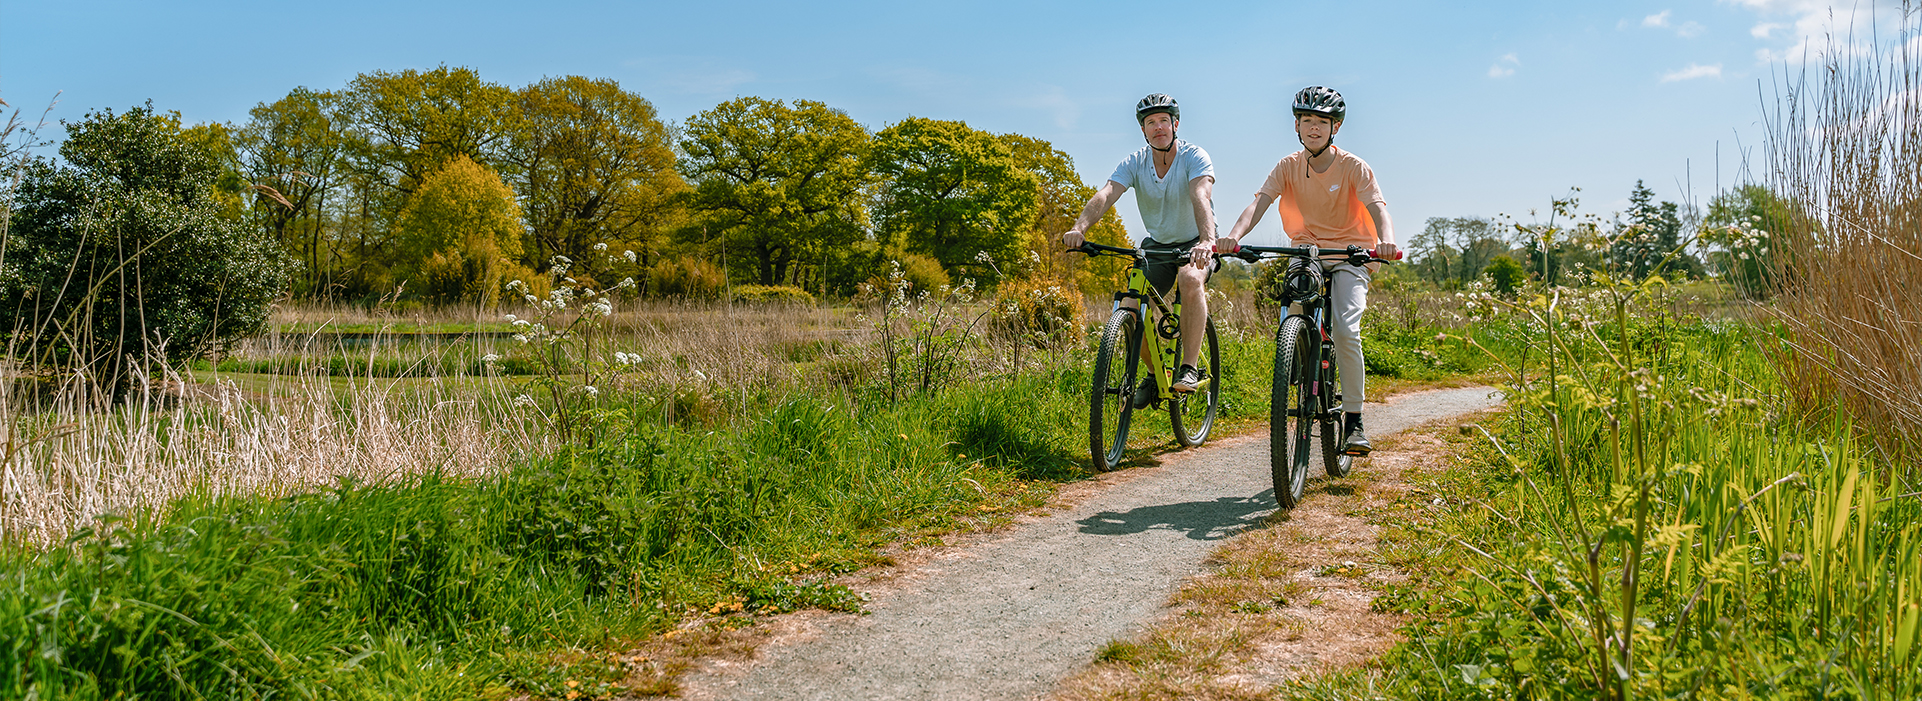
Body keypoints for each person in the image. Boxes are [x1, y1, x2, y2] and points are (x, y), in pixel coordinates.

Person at [1215, 86, 1398, 455]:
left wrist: (1387, 240)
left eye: (1322, 122)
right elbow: (1259, 204)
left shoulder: (1353, 167)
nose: (1314, 128)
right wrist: (1232, 237)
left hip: (1351, 253)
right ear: (1297, 125)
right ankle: (1296, 355)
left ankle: (1354, 420)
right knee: (1294, 302)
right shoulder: (1287, 167)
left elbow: (1378, 206)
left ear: (1336, 127)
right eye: (1307, 121)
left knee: (1346, 330)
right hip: (1307, 250)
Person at [1061, 93, 1217, 408]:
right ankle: (1151, 372)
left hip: (1194, 242)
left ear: (1175, 124)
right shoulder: (1135, 162)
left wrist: (1205, 241)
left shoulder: (1194, 156)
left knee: (1189, 281)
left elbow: (1201, 195)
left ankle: (1187, 367)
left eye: (1163, 121)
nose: (1158, 127)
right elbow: (1107, 193)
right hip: (1157, 246)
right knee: (1130, 306)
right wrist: (1080, 228)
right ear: (1143, 130)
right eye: (1150, 123)